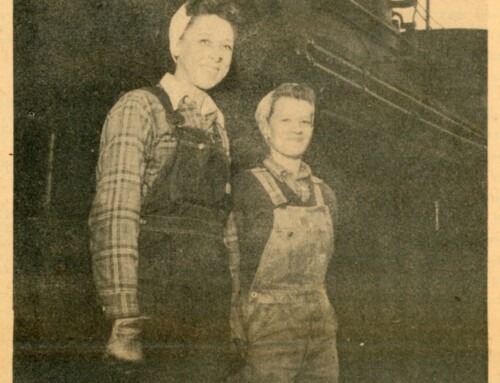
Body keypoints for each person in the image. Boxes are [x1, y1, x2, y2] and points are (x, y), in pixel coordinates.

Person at [88, 0, 240, 380]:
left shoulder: (217, 124)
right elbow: (115, 216)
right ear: (177, 46)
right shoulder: (140, 107)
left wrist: (234, 310)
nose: (218, 56)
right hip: (153, 312)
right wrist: (125, 318)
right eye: (205, 42)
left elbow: (225, 229)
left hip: (208, 311)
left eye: (227, 47)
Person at [225, 83, 339, 382]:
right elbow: (230, 265)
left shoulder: (325, 194)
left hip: (321, 330)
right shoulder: (244, 187)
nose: (297, 129)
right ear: (266, 126)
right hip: (267, 329)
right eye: (286, 120)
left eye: (306, 121)